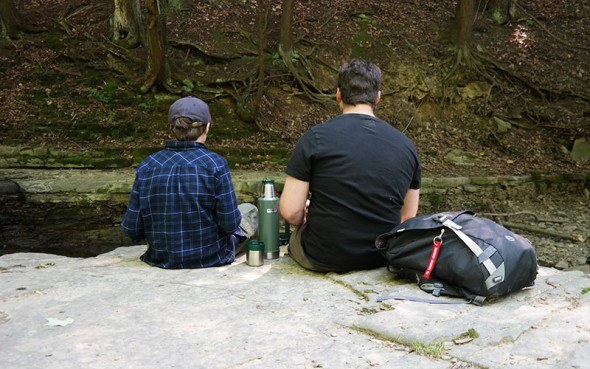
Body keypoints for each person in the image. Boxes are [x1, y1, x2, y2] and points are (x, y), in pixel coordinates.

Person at [279, 59, 421, 272]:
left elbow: (291, 212)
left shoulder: (315, 138)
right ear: (378, 98)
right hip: (381, 257)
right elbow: (407, 217)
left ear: (338, 95)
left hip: (322, 255)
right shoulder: (406, 146)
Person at [121, 96, 257, 269]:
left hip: (161, 257)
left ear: (171, 127)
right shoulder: (216, 164)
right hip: (212, 256)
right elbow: (230, 224)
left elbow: (131, 228)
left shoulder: (147, 165)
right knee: (250, 210)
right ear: (207, 128)